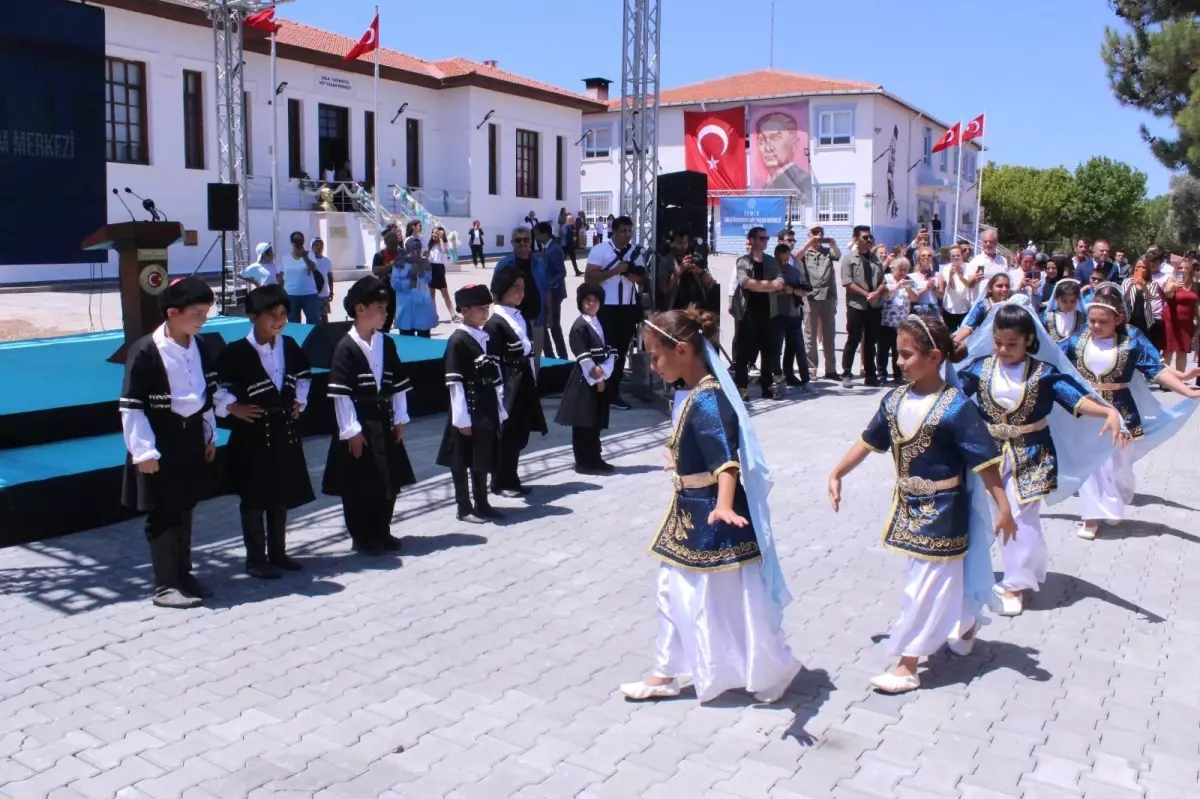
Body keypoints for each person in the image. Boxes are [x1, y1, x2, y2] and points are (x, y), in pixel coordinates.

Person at [619, 307, 801, 702]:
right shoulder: (691, 393)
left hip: (715, 518)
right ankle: (666, 672)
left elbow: (725, 460)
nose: (652, 365)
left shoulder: (708, 399)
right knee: (671, 592)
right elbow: (695, 445)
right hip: (689, 513)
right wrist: (677, 458)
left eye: (655, 356)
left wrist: (723, 505)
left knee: (728, 601)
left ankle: (772, 669)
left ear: (682, 350)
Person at [827, 314, 1016, 693]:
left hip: (945, 511)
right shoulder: (895, 400)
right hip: (907, 507)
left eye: (907, 355)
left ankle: (908, 664)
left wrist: (1005, 508)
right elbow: (868, 441)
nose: (899, 362)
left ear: (934, 357)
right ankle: (964, 621)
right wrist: (837, 472)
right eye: (898, 354)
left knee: (924, 584)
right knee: (932, 579)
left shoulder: (956, 407)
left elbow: (986, 463)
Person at [956, 297, 1125, 616]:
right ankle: (998, 569)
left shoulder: (1044, 373)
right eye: (998, 343)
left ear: (1029, 340)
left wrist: (1106, 412)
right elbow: (953, 394)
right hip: (989, 454)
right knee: (988, 513)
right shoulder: (980, 368)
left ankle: (1016, 584)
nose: (1004, 350)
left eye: (1012, 344)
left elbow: (1074, 398)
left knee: (1019, 516)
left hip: (1031, 453)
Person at [1061, 283, 1200, 539]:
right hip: (1088, 412)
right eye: (1091, 321)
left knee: (1117, 465)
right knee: (1091, 464)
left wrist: (1187, 390)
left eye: (1102, 322)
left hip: (1121, 410)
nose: (1095, 326)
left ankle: (1115, 500)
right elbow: (1052, 360)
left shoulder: (1132, 340)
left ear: (1118, 319)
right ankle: (1090, 519)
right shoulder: (1078, 339)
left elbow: (1155, 369)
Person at [119, 277, 219, 609]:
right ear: (173, 312)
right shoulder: (146, 350)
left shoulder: (199, 346)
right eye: (197, 312)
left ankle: (183, 574)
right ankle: (165, 585)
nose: (202, 319)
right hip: (160, 440)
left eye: (206, 312)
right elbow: (132, 406)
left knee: (186, 508)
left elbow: (204, 396)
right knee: (164, 514)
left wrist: (208, 434)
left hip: (189, 437)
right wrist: (143, 451)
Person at [214, 285, 314, 579]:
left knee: (280, 494)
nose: (279, 321)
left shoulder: (290, 346)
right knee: (254, 497)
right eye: (272, 316)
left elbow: (305, 375)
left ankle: (279, 553)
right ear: (252, 317)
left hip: (283, 429)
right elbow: (212, 387)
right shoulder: (235, 352)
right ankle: (255, 558)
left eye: (283, 314)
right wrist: (233, 408)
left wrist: (300, 402)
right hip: (252, 436)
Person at [321, 276, 414, 556]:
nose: (386, 314)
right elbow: (341, 394)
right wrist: (351, 430)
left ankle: (382, 529)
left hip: (383, 417)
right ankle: (362, 535)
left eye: (387, 308)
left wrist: (399, 418)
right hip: (359, 421)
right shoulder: (345, 348)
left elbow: (398, 384)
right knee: (359, 483)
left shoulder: (387, 343)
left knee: (388, 479)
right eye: (380, 308)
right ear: (360, 309)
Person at [438, 284, 506, 524]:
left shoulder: (485, 336)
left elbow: (494, 375)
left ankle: (482, 502)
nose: (485, 313)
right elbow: (454, 383)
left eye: (487, 308)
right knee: (461, 460)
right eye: (480, 308)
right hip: (467, 408)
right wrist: (461, 419)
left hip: (485, 406)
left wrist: (500, 407)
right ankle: (464, 507)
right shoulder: (458, 340)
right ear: (464, 310)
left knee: (482, 456)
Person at [486, 268, 547, 497]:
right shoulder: (495, 324)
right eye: (516, 289)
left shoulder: (518, 317)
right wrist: (499, 394)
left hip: (523, 383)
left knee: (519, 433)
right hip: (507, 388)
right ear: (502, 290)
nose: (521, 293)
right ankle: (500, 481)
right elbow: (495, 362)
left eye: (523, 289)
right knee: (506, 435)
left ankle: (511, 477)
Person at [585, 215, 646, 410]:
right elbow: (589, 277)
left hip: (627, 309)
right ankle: (597, 391)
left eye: (630, 231)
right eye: (623, 231)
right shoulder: (600, 250)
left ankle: (613, 393)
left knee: (619, 354)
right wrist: (615, 271)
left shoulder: (635, 253)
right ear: (614, 231)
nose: (627, 235)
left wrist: (635, 276)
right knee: (602, 352)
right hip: (606, 309)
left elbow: (643, 280)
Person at [556, 283, 615, 474]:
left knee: (595, 422)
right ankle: (583, 462)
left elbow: (610, 352)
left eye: (595, 300)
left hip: (600, 379)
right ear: (580, 303)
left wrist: (605, 371)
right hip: (584, 381)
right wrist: (597, 379)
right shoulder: (579, 326)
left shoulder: (599, 322)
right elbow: (584, 359)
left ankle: (595, 458)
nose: (591, 304)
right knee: (583, 423)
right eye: (587, 300)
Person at [732, 227, 784, 400]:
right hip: (748, 314)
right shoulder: (742, 261)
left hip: (769, 313)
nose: (765, 241)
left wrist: (759, 285)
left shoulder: (772, 261)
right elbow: (745, 283)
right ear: (752, 239)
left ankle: (767, 388)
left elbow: (780, 283)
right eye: (762, 238)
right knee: (744, 354)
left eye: (766, 238)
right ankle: (741, 388)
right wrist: (769, 285)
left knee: (768, 353)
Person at [494, 227, 549, 378]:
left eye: (526, 239)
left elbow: (546, 291)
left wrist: (548, 315)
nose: (522, 243)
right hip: (512, 322)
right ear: (512, 243)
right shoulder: (504, 265)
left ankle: (533, 394)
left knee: (534, 359)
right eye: (518, 240)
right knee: (512, 361)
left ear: (531, 241)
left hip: (536, 319)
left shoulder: (539, 263)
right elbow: (496, 292)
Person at [841, 225, 886, 389]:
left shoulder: (876, 259)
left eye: (870, 237)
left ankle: (870, 374)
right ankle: (846, 373)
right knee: (853, 339)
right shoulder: (848, 259)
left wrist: (876, 293)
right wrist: (867, 294)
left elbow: (883, 281)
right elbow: (847, 282)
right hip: (856, 305)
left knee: (870, 341)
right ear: (855, 240)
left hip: (874, 306)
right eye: (865, 237)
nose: (869, 240)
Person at [800, 226, 841, 380]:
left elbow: (837, 255)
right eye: (815, 233)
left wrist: (833, 244)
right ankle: (811, 369)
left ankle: (831, 370)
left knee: (829, 334)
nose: (818, 236)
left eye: (820, 233)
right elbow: (796, 257)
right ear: (809, 235)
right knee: (810, 335)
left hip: (828, 297)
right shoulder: (806, 253)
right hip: (810, 298)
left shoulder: (827, 252)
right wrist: (808, 243)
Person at [776, 241, 813, 391]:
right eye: (781, 260)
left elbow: (807, 290)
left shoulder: (794, 271)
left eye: (786, 259)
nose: (784, 263)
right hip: (776, 316)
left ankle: (806, 381)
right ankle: (778, 380)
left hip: (794, 314)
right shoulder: (771, 271)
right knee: (776, 350)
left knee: (798, 348)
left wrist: (793, 290)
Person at [879, 256, 920, 383]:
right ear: (893, 269)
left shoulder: (909, 281)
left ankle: (898, 375)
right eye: (900, 269)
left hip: (901, 322)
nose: (903, 272)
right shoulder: (886, 279)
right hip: (886, 321)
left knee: (898, 351)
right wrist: (897, 286)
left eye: (905, 270)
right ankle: (882, 374)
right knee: (883, 350)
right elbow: (885, 294)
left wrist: (908, 289)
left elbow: (915, 298)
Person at [533, 222, 568, 361]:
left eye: (537, 234)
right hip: (547, 294)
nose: (535, 237)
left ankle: (557, 355)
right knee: (549, 325)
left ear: (544, 234)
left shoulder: (554, 249)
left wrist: (549, 285)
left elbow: (562, 272)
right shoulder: (546, 249)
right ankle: (553, 355)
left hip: (553, 295)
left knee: (549, 325)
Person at [657, 229, 715, 313]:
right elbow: (664, 289)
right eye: (679, 243)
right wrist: (679, 271)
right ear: (671, 244)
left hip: (697, 309)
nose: (683, 246)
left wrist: (700, 272)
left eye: (685, 243)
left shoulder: (695, 258)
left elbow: (711, 283)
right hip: (677, 310)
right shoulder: (666, 262)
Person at [391, 233, 437, 338]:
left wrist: (421, 273)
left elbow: (428, 280)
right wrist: (410, 280)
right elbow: (394, 283)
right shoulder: (400, 263)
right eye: (413, 247)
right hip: (406, 306)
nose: (416, 249)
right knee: (406, 338)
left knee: (424, 338)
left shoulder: (425, 262)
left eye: (418, 247)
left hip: (422, 306)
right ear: (407, 247)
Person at [1162, 257, 1199, 375]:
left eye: (1186, 268)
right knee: (1168, 351)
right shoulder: (1172, 281)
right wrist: (1173, 288)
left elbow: (1196, 304)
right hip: (1171, 320)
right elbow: (1167, 294)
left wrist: (1198, 321)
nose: (1183, 270)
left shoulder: (1194, 284)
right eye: (1180, 267)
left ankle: (1179, 379)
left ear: (1190, 270)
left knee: (1182, 351)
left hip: (1187, 322)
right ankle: (1166, 380)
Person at [954, 272, 1012, 343]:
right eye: (999, 286)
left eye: (1007, 286)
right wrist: (953, 343)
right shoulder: (984, 306)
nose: (1004, 289)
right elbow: (968, 328)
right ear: (990, 288)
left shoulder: (1011, 305)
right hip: (983, 347)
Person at [279, 231, 323, 324]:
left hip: (310, 295)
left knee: (313, 323)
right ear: (292, 242)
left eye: (300, 239)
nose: (298, 242)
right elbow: (281, 277)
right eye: (295, 240)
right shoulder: (285, 258)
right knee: (294, 324)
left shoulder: (310, 255)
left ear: (303, 241)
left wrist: (305, 257)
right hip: (291, 295)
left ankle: (311, 339)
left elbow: (313, 268)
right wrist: (280, 293)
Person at [939, 244, 982, 332]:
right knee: (950, 334)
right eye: (953, 256)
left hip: (964, 307)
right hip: (949, 308)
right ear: (950, 258)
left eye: (958, 255)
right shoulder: (947, 268)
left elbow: (970, 285)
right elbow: (952, 286)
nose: (956, 257)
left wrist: (961, 277)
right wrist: (951, 275)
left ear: (962, 256)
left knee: (963, 335)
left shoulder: (969, 266)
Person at [428, 227, 459, 323]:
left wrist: (440, 238)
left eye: (436, 233)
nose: (434, 235)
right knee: (431, 294)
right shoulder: (430, 245)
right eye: (433, 233)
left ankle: (453, 315)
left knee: (445, 293)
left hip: (439, 268)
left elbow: (444, 251)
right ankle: (433, 315)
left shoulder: (444, 243)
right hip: (431, 268)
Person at [371, 231, 401, 331]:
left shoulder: (401, 254)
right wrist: (391, 266)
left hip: (399, 292)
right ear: (386, 242)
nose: (394, 246)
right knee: (384, 321)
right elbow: (376, 271)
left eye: (396, 243)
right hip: (385, 291)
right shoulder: (379, 255)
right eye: (392, 244)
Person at [1043, 279, 1087, 343]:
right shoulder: (1046, 318)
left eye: (1073, 301)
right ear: (1056, 298)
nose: (1069, 305)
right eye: (1064, 301)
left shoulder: (1082, 318)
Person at [309, 237, 334, 322]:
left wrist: (331, 291)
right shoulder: (308, 261)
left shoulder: (327, 261)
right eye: (316, 245)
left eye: (321, 245)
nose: (319, 247)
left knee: (324, 316)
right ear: (312, 247)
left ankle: (325, 333)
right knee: (312, 316)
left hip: (324, 294)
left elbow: (330, 277)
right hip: (311, 293)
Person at [911, 247, 941, 316]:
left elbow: (940, 296)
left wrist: (933, 287)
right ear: (919, 259)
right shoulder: (912, 276)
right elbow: (912, 297)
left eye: (929, 255)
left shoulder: (938, 275)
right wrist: (926, 288)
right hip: (918, 307)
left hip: (934, 308)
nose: (926, 257)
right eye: (923, 255)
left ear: (932, 259)